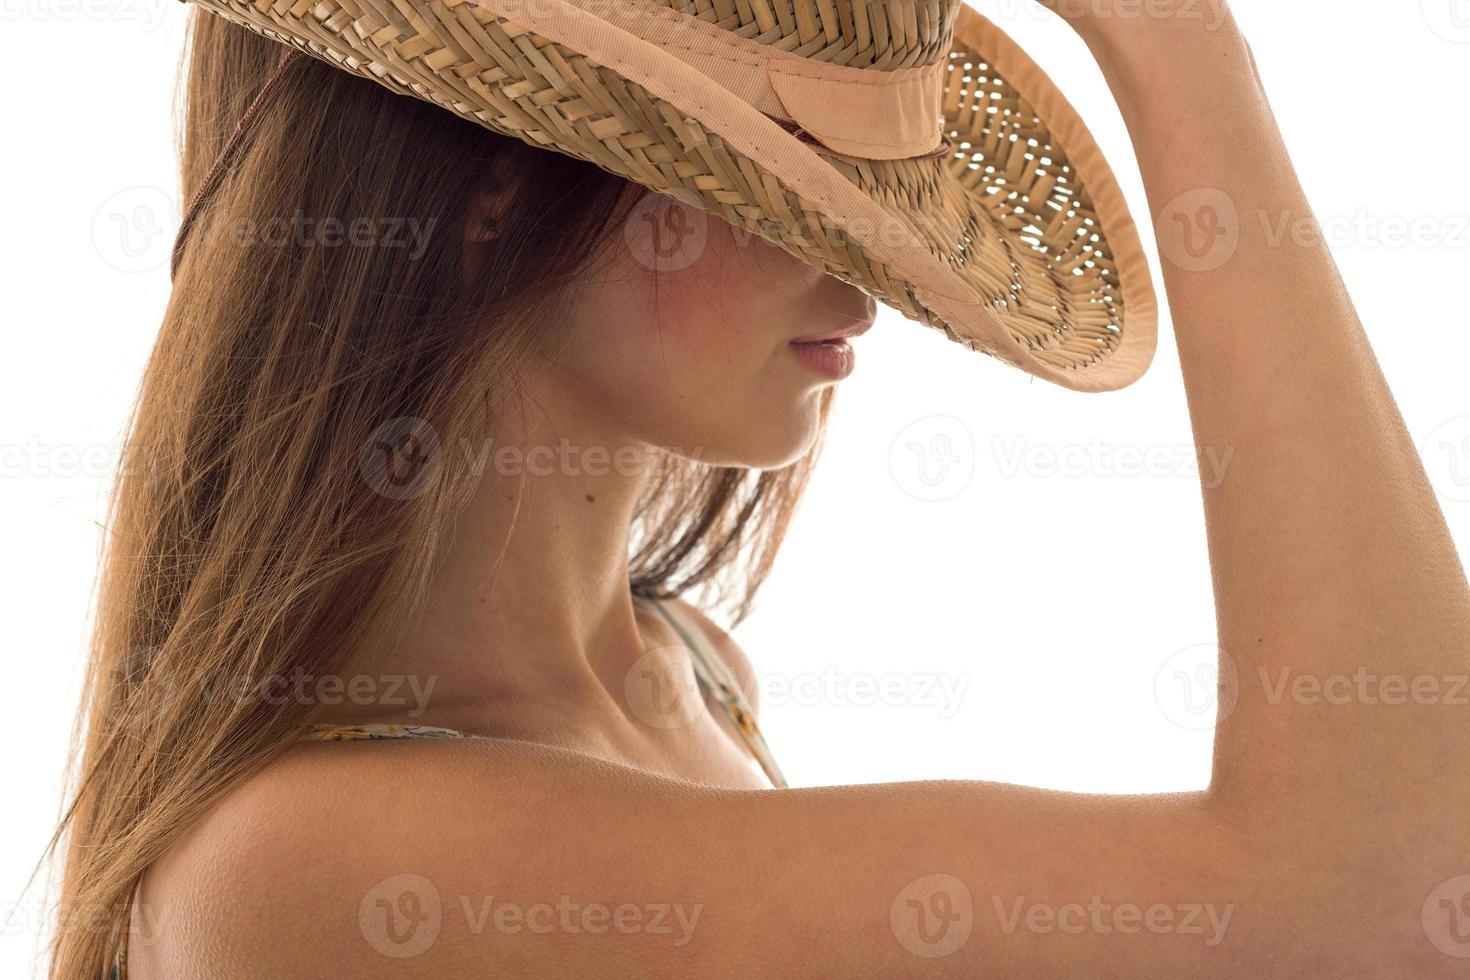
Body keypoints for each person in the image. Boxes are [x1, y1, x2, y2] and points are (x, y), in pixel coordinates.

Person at [52, 0, 1470, 976]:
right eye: (782, 181)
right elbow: (1391, 911)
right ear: (493, 190)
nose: (860, 272)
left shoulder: (673, 667)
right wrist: (1179, 47)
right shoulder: (313, 867)